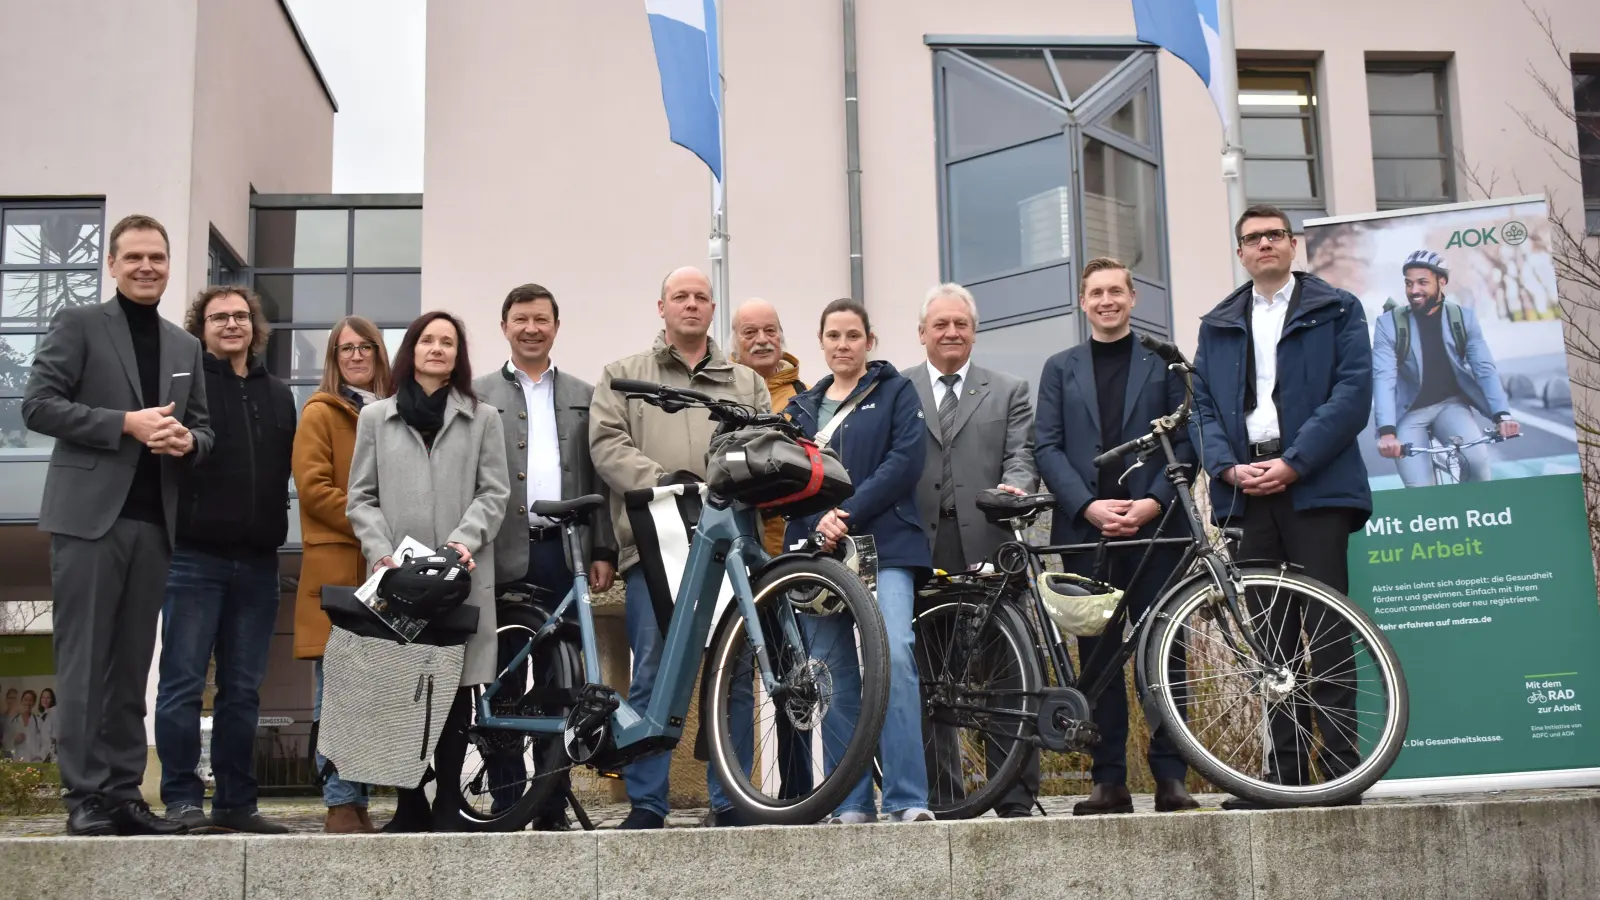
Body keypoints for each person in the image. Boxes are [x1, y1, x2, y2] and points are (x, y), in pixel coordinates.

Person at [22, 213, 213, 837]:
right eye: (133, 258)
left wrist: (188, 440)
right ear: (111, 264)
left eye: (156, 258)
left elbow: (206, 430)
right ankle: (84, 796)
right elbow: (37, 405)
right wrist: (123, 424)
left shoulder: (186, 347)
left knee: (133, 667)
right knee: (83, 663)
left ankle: (126, 793)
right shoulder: (78, 324)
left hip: (154, 523)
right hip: (87, 521)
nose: (146, 268)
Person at [1189, 204, 1373, 810]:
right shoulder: (1217, 323)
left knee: (1325, 630)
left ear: (1293, 244)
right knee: (1268, 641)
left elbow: (1351, 396)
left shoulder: (1337, 309)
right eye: (1252, 238)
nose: (1264, 244)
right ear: (1239, 251)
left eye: (1275, 235)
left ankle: (1342, 770)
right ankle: (1283, 776)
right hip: (1245, 490)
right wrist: (1225, 467)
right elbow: (1204, 412)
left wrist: (1294, 461)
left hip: (1314, 486)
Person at [588, 267, 770, 829]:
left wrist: (717, 487)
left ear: (713, 309)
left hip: (731, 547)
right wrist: (671, 485)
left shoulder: (746, 381)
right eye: (680, 296)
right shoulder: (622, 375)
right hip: (655, 546)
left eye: (701, 297)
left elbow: (764, 446)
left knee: (733, 672)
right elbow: (607, 445)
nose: (691, 304)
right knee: (652, 675)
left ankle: (731, 798)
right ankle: (647, 803)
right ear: (661, 307)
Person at [1034, 257, 1199, 816]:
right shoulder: (1059, 367)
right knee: (1097, 658)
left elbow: (1189, 436)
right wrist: (1089, 505)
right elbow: (1047, 448)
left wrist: (1153, 502)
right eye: (1096, 293)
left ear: (1133, 298)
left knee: (1164, 649)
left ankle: (1172, 777)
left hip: (1158, 533)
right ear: (1083, 302)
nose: (1106, 300)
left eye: (1116, 291)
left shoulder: (1165, 362)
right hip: (1088, 534)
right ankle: (1108, 781)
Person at [347, 310, 510, 831]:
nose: (437, 348)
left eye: (448, 342)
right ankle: (409, 804)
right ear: (411, 350)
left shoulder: (483, 417)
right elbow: (361, 497)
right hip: (398, 576)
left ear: (458, 356)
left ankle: (449, 805)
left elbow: (494, 492)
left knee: (456, 688)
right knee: (402, 689)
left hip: (459, 573)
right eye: (427, 340)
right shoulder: (376, 418)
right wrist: (379, 550)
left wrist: (463, 542)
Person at [473, 283, 617, 830]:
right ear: (504, 326)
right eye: (520, 319)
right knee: (503, 684)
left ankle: (551, 806)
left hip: (568, 554)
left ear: (556, 326)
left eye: (541, 319)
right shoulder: (478, 391)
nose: (531, 328)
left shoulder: (587, 392)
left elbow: (600, 474)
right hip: (503, 554)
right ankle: (510, 802)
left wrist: (602, 547)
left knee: (564, 683)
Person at [783, 297, 932, 824]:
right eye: (834, 336)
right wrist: (819, 523)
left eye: (853, 335)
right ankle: (849, 801)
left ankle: (908, 799)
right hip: (819, 557)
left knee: (893, 655)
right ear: (820, 343)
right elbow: (786, 477)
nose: (843, 345)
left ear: (869, 341)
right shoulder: (799, 410)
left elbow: (904, 462)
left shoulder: (895, 391)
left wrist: (845, 511)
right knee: (834, 673)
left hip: (885, 546)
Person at [152, 287, 295, 835]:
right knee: (182, 683)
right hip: (194, 556)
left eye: (240, 316)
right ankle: (182, 799)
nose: (231, 324)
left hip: (259, 563)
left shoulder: (280, 395)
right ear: (201, 326)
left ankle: (237, 802)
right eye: (219, 317)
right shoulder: (185, 388)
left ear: (253, 325)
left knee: (242, 691)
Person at [903, 283, 1038, 818]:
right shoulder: (898, 389)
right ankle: (943, 795)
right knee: (930, 678)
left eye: (961, 324)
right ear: (922, 334)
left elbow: (1021, 457)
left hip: (991, 545)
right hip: (921, 549)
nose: (951, 332)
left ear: (974, 331)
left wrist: (1016, 488)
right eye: (941, 324)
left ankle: (1015, 797)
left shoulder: (1008, 390)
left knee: (1009, 673)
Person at [292, 316, 393, 834]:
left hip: (385, 570)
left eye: (364, 347)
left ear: (379, 354)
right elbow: (313, 489)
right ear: (334, 359)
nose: (355, 356)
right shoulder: (319, 412)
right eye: (345, 349)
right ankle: (339, 801)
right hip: (339, 566)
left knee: (374, 691)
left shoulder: (393, 412)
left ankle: (362, 800)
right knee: (336, 688)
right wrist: (374, 523)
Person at [728, 297, 812, 800]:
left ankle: (798, 793)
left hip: (794, 559)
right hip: (738, 561)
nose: (761, 340)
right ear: (735, 340)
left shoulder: (804, 398)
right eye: (749, 332)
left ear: (782, 336)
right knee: (736, 682)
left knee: (795, 680)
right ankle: (736, 796)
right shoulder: (725, 395)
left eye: (770, 330)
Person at [1374, 250, 1520, 486]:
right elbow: (1383, 379)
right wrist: (1387, 432)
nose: (1414, 291)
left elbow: (1484, 369)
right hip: (1409, 413)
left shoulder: (1463, 319)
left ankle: (1473, 514)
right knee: (1420, 488)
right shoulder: (1389, 325)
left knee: (1478, 463)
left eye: (1423, 282)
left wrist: (1502, 415)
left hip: (1450, 405)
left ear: (1442, 282)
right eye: (1409, 284)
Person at [9, 691, 49, 763]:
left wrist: (40, 757)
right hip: (18, 762)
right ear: (21, 701)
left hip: (35, 762)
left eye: (31, 700)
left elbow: (46, 743)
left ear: (33, 703)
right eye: (25, 699)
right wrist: (14, 740)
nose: (28, 703)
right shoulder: (13, 722)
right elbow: (6, 744)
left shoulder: (39, 721)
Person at [37, 688, 57, 762]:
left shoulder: (55, 711)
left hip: (53, 754)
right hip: (43, 754)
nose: (44, 700)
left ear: (52, 699)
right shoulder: (41, 716)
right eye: (43, 697)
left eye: (48, 698)